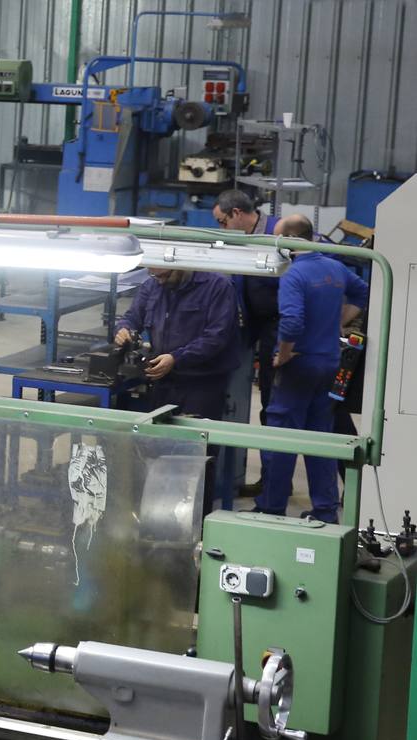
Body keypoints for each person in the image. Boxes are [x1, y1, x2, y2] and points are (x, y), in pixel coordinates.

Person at [254, 216, 368, 524]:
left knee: (281, 437)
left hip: (300, 365)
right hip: (329, 363)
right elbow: (362, 292)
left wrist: (284, 355)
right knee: (320, 437)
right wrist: (338, 323)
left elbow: (291, 322)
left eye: (279, 240)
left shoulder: (295, 275)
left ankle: (272, 509)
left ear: (291, 241)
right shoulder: (335, 268)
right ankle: (325, 511)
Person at [114, 267, 243, 420]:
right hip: (163, 381)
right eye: (154, 276)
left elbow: (216, 337)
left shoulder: (218, 286)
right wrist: (124, 329)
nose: (160, 281)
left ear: (180, 267)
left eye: (165, 276)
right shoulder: (151, 285)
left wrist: (176, 358)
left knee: (197, 440)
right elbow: (133, 317)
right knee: (160, 438)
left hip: (202, 384)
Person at [215, 189, 279, 496]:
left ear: (237, 214)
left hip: (280, 329)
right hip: (252, 326)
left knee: (275, 406)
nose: (221, 229)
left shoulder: (280, 232)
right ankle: (273, 482)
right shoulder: (239, 239)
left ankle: (273, 485)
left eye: (222, 222)